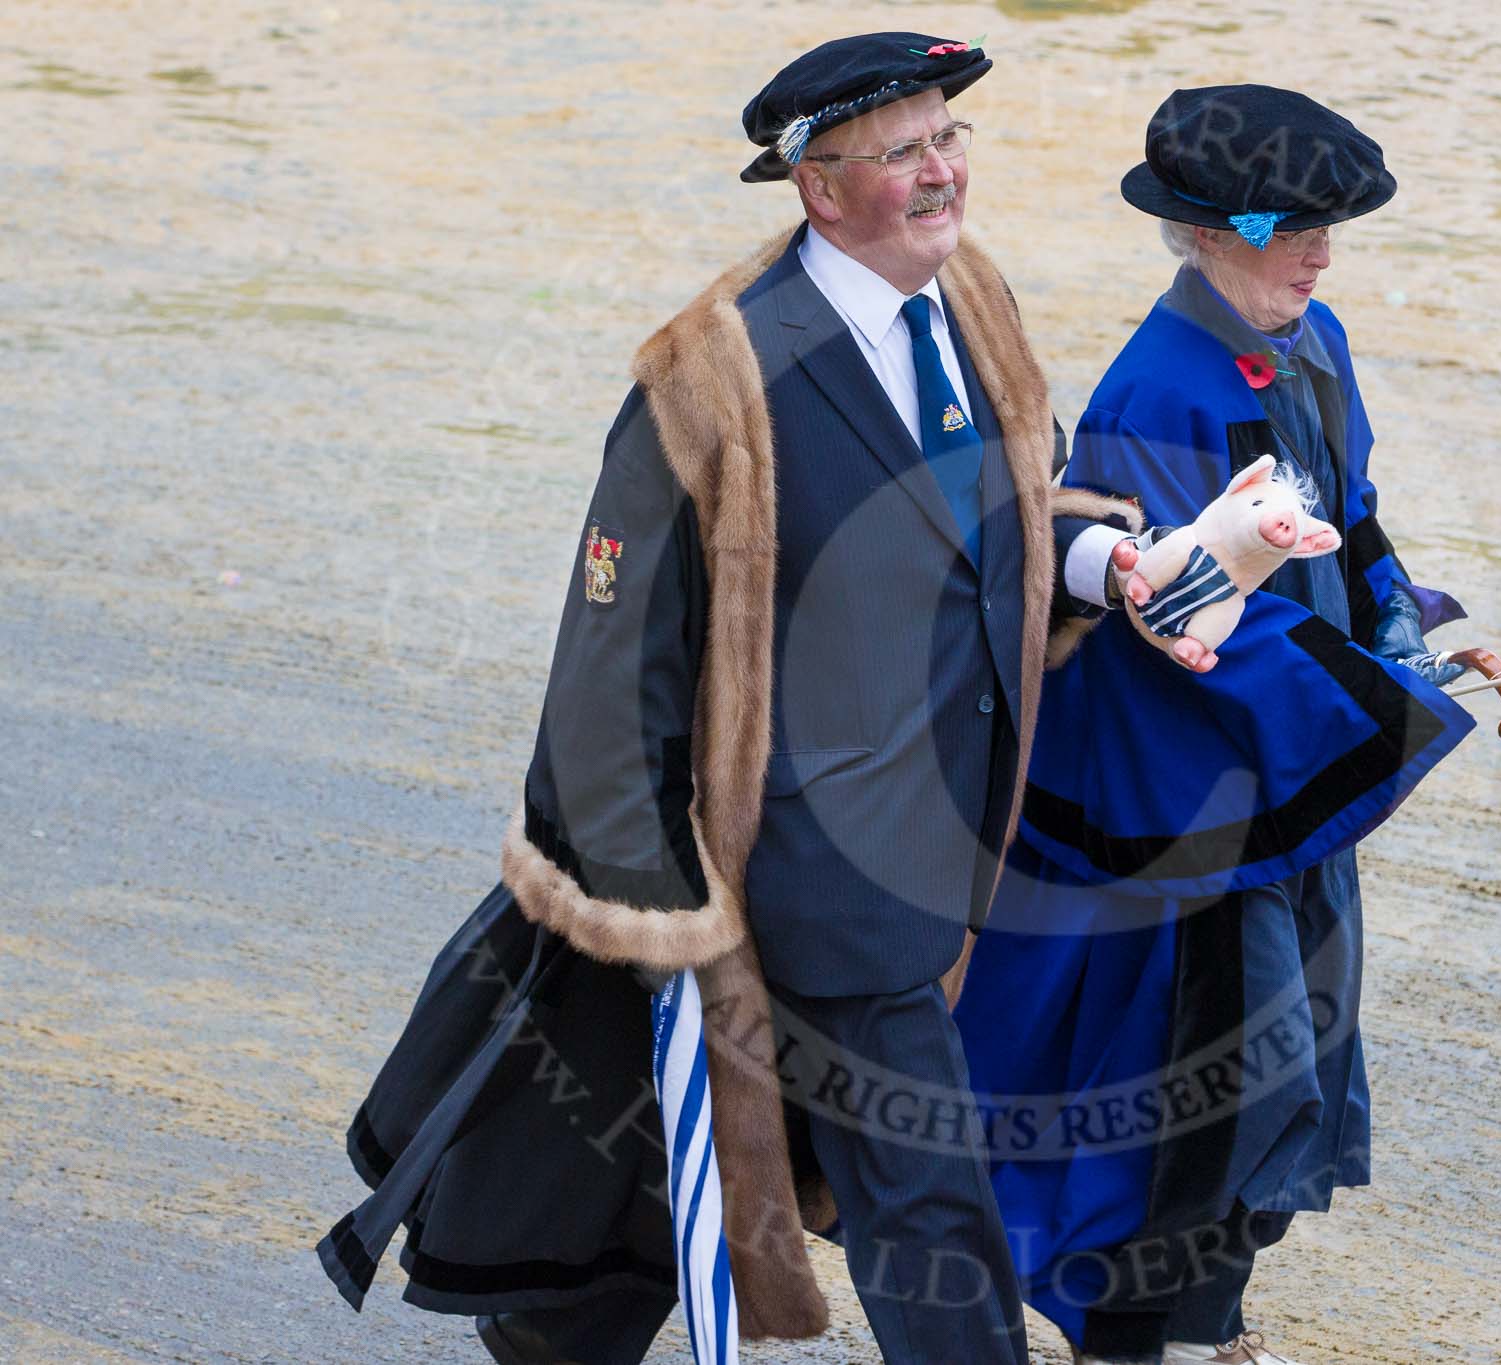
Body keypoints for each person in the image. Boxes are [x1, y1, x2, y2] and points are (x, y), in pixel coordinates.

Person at [317, 32, 1174, 1365]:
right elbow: (607, 688)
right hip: (784, 881)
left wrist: (1100, 561)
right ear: (817, 187)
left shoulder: (976, 309)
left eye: (952, 136)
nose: (944, 171)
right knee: (928, 1210)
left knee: (648, 1206)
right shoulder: (709, 381)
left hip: (933, 860)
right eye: (904, 152)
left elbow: (996, 525)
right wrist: (676, 926)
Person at [956, 85, 1501, 1365]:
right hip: (1184, 804)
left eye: (1332, 227)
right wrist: (1381, 709)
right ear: (1209, 233)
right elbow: (1195, 621)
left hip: (1289, 763)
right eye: (1298, 226)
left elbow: (1351, 523)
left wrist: (1408, 639)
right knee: (1189, 1091)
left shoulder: (1312, 342)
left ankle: (1213, 1316)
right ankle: (1132, 1339)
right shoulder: (1155, 390)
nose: (1322, 251)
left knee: (1292, 1058)